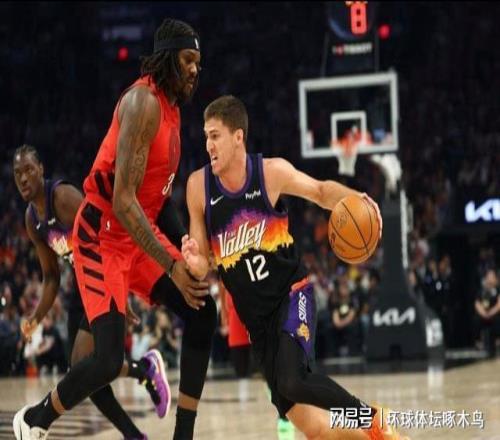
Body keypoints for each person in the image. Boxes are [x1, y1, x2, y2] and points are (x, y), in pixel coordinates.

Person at [14, 18, 216, 440]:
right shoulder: (142, 103)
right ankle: (35, 419)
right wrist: (171, 265)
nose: (195, 68)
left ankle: (183, 435)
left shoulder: (174, 111)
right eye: (187, 59)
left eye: (198, 60)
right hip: (100, 238)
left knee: (202, 309)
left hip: (135, 234)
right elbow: (123, 200)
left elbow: (158, 200)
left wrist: (185, 248)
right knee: (104, 360)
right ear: (167, 59)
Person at [181, 95, 408, 439]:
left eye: (215, 136)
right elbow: (201, 264)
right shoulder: (198, 188)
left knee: (292, 380)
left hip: (291, 296)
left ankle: (371, 419)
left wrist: (356, 199)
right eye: (206, 137)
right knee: (316, 430)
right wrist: (195, 262)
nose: (208, 145)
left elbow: (320, 191)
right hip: (257, 324)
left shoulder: (270, 173)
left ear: (238, 136)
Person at [12, 144, 165, 439]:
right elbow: (51, 277)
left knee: (86, 369)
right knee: (84, 374)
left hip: (102, 277)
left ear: (41, 169)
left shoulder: (62, 197)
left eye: (29, 169)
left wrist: (119, 288)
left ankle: (136, 409)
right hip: (81, 289)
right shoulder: (32, 219)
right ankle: (142, 377)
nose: (24, 178)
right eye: (18, 173)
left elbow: (107, 234)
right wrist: (35, 319)